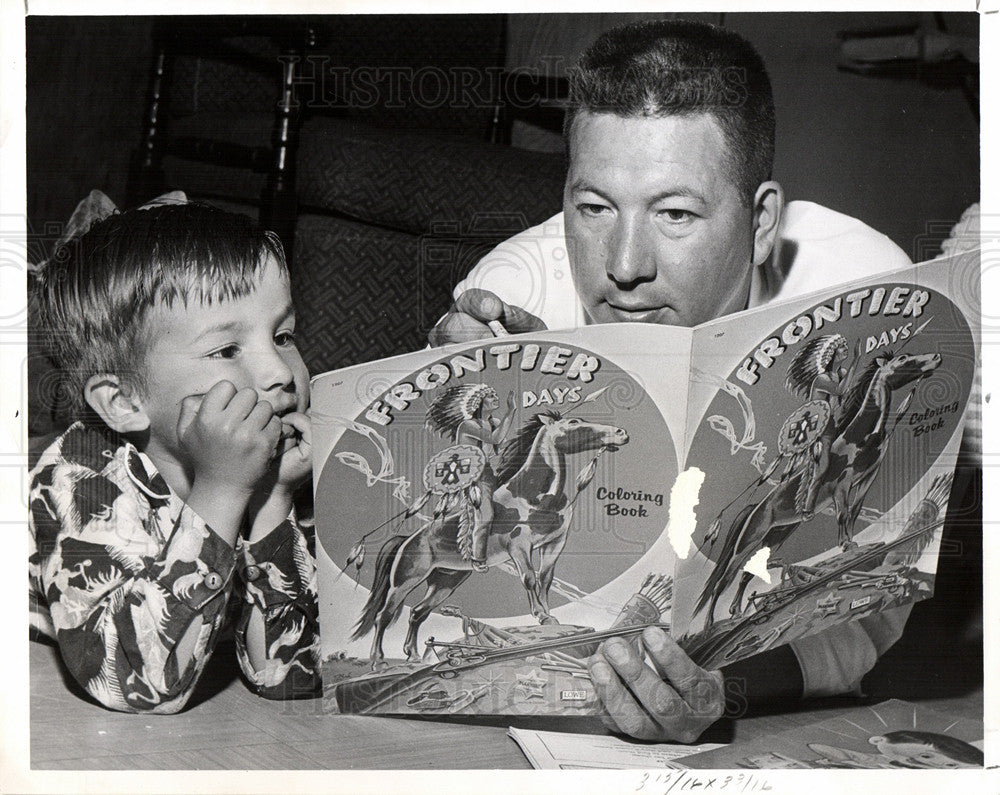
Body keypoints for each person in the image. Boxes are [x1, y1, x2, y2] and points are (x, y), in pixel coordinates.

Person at [429, 19, 916, 742]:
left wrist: (722, 689)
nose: (623, 265)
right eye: (592, 207)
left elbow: (864, 618)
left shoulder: (867, 293)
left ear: (760, 222)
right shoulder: (511, 294)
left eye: (675, 213)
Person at [28, 199, 321, 713]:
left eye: (283, 335)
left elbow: (295, 675)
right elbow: (135, 683)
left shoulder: (286, 473)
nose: (278, 371)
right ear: (124, 402)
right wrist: (223, 490)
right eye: (226, 350)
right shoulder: (80, 481)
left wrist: (272, 501)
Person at [424, 384, 518, 570]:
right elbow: (495, 439)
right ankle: (478, 558)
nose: (495, 397)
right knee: (485, 515)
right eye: (490, 395)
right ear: (478, 403)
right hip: (474, 477)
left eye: (493, 393)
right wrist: (512, 410)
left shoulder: (494, 422)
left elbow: (502, 446)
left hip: (491, 472)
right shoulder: (468, 425)